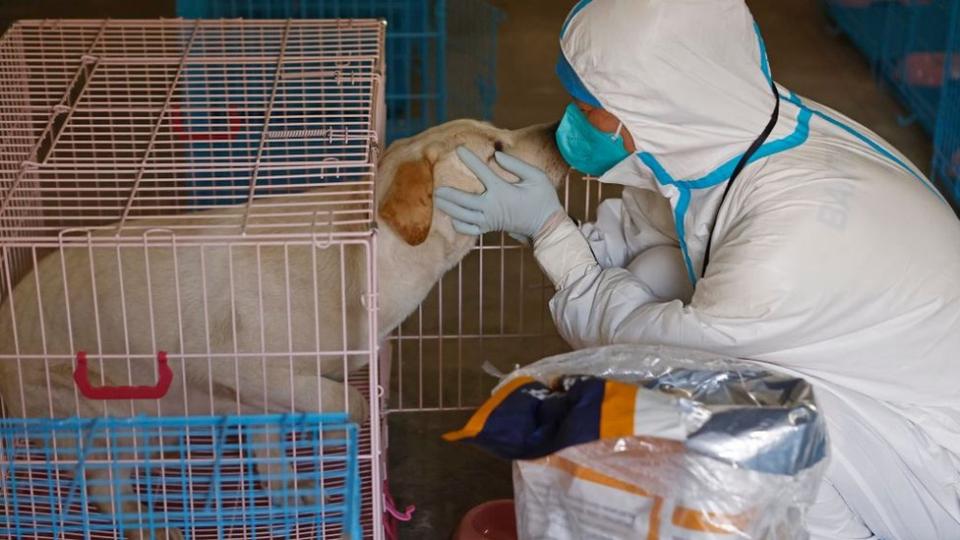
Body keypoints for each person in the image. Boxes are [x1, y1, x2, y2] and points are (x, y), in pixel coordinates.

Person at [434, 1, 960, 538]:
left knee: (728, 427)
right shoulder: (737, 127)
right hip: (877, 371)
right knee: (658, 270)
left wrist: (549, 232)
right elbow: (657, 223)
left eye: (587, 105)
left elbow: (644, 345)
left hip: (929, 462)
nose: (570, 120)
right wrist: (569, 237)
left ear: (647, 109)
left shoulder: (785, 247)